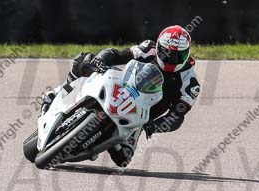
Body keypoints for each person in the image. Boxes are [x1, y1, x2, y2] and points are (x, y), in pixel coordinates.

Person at [41, 25, 200, 167]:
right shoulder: (147, 49)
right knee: (84, 60)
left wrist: (154, 126)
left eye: (178, 56)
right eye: (167, 53)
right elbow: (116, 54)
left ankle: (103, 142)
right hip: (121, 89)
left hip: (140, 116)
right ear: (158, 47)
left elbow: (177, 116)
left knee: (123, 158)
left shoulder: (190, 82)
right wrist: (99, 60)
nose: (172, 60)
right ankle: (57, 93)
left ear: (188, 53)